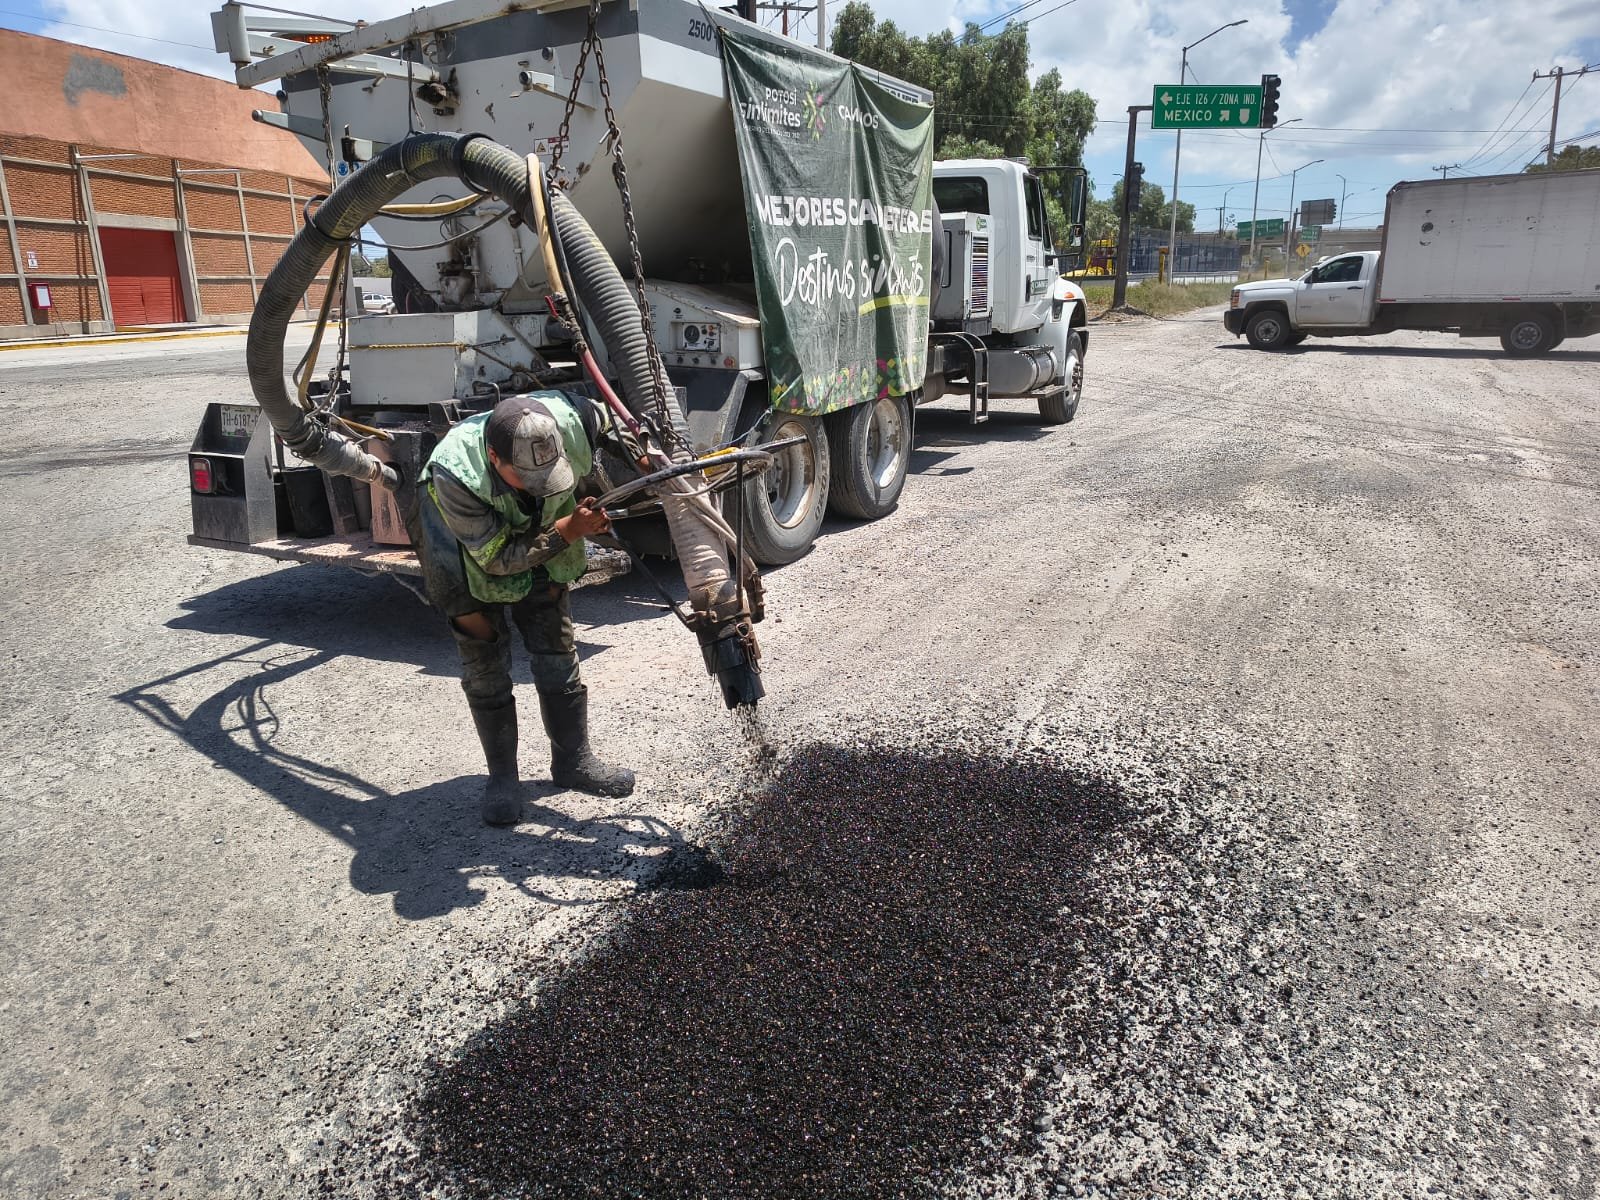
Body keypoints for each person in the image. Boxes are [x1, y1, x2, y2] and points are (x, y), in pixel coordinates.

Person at [412, 392, 634, 827]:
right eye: (527, 477)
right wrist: (568, 529)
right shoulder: (454, 476)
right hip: (458, 546)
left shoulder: (570, 419)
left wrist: (646, 462)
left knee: (554, 639)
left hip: (536, 533)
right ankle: (503, 779)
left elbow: (618, 421)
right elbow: (495, 558)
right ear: (494, 458)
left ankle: (573, 762)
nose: (540, 485)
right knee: (483, 654)